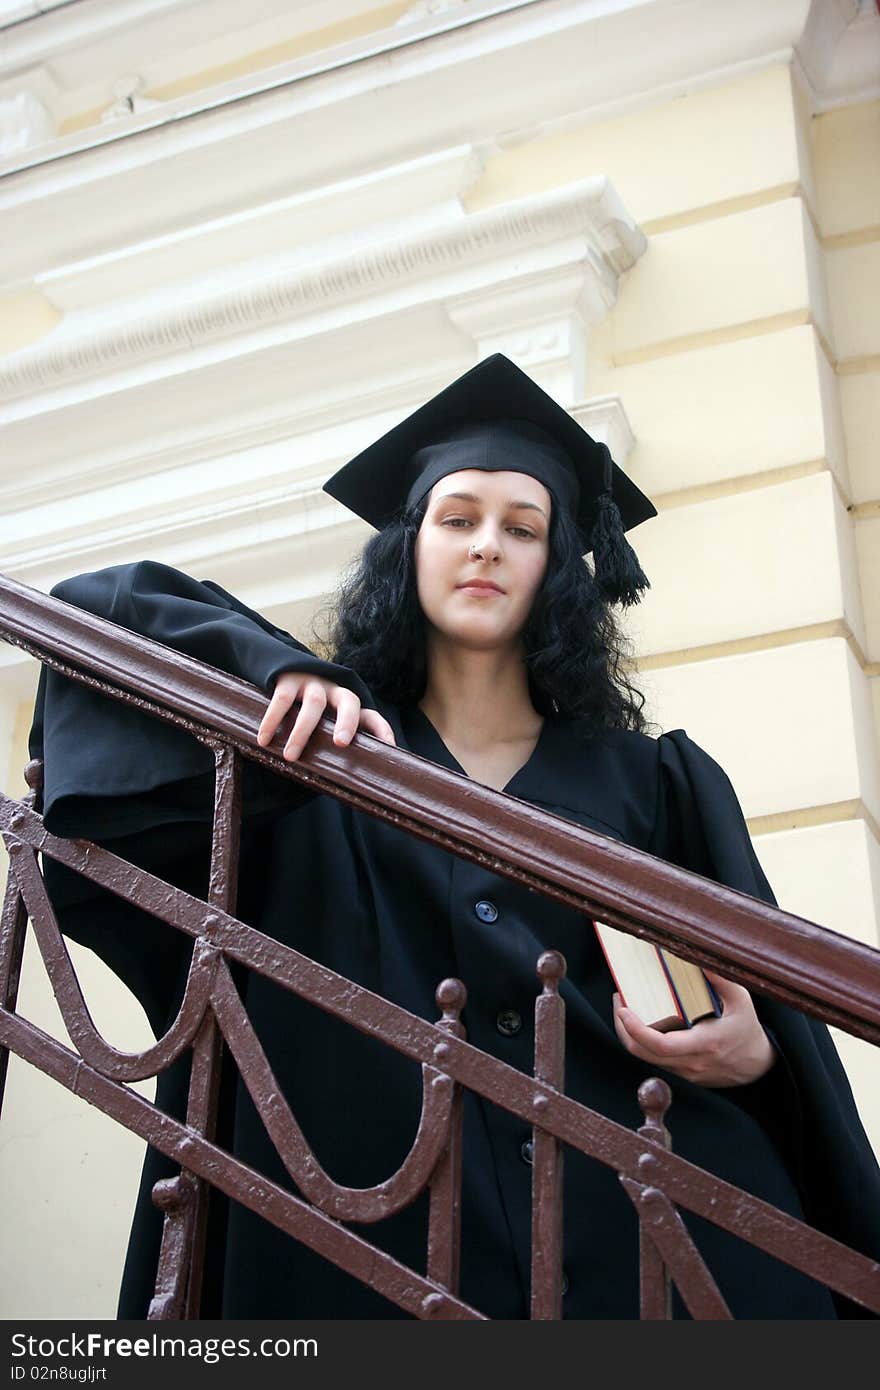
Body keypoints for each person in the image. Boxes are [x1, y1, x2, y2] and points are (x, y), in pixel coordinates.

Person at [28, 355, 880, 1319]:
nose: (487, 546)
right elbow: (94, 611)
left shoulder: (653, 782)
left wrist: (755, 1057)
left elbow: (776, 1016)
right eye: (458, 518)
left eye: (523, 528)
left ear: (556, 567)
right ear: (411, 546)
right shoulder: (319, 759)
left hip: (659, 1231)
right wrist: (275, 668)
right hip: (363, 1225)